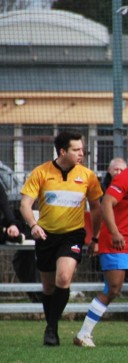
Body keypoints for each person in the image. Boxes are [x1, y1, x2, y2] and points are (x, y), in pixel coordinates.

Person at [73, 141, 128, 347]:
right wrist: (114, 233)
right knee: (113, 289)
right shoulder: (126, 178)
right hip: (116, 241)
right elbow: (106, 203)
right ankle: (83, 335)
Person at [20, 131, 103, 346]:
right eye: (76, 149)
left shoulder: (88, 176)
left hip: (73, 235)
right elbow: (25, 205)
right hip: (46, 236)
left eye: (82, 149)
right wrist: (34, 226)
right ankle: (52, 326)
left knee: (64, 279)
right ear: (63, 151)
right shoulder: (41, 172)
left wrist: (95, 237)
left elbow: (96, 208)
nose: (81, 153)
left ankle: (51, 327)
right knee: (48, 287)